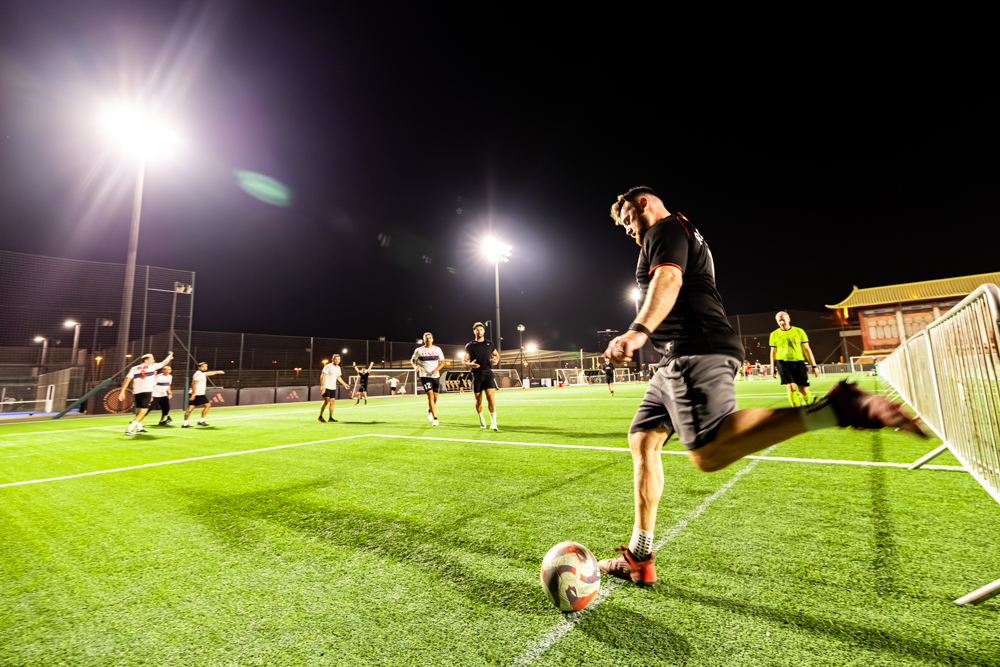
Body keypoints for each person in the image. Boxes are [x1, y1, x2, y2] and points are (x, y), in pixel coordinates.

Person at [600, 186, 927, 588]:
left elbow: (669, 278)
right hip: (675, 358)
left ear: (644, 204)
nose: (628, 230)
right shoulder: (679, 230)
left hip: (694, 348)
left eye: (628, 220)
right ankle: (639, 556)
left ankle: (835, 409)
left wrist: (637, 332)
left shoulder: (663, 229)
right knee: (643, 440)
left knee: (708, 453)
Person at [770, 311, 820, 406]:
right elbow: (773, 352)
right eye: (779, 321)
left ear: (788, 319)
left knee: (803, 390)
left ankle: (807, 405)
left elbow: (807, 349)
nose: (781, 322)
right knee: (790, 387)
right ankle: (795, 409)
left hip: (798, 362)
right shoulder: (774, 334)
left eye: (783, 320)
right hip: (783, 363)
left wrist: (814, 366)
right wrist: (773, 368)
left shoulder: (799, 331)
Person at [119, 351, 174, 435]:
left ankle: (139, 428)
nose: (154, 360)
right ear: (146, 360)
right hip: (146, 391)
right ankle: (129, 429)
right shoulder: (151, 367)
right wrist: (170, 356)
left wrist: (122, 391)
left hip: (137, 392)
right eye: (152, 359)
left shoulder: (134, 368)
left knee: (139, 411)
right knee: (143, 412)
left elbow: (127, 380)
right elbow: (165, 363)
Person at [463, 322, 500, 430]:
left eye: (481, 329)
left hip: (488, 373)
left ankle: (494, 423)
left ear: (484, 331)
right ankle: (482, 420)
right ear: (474, 331)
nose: (479, 331)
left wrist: (496, 360)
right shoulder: (470, 345)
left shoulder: (490, 344)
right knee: (478, 400)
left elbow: (496, 354)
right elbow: (464, 360)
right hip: (476, 375)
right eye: (477, 330)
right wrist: (470, 364)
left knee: (490, 398)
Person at [412, 332, 445, 425]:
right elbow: (413, 360)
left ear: (432, 339)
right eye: (426, 338)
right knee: (430, 396)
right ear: (423, 340)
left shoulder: (438, 349)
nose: (428, 339)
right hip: (424, 376)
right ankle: (435, 419)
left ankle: (430, 410)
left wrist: (436, 370)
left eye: (430, 338)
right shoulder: (419, 350)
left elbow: (443, 362)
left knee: (435, 398)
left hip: (435, 376)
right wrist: (415, 367)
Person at [182, 362, 224, 427]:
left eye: (206, 366)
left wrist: (217, 372)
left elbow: (209, 373)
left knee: (191, 408)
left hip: (197, 393)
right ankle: (201, 421)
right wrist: (193, 394)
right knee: (207, 405)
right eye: (203, 367)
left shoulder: (202, 373)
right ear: (199, 368)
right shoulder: (199, 374)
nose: (205, 368)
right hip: (198, 394)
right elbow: (193, 384)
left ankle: (185, 424)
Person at [318, 354, 352, 422]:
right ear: (332, 359)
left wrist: (345, 384)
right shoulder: (328, 366)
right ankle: (320, 416)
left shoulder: (338, 368)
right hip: (326, 386)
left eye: (338, 359)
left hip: (333, 387)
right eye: (336, 359)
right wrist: (323, 386)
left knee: (332, 402)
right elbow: (322, 376)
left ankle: (330, 418)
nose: (337, 360)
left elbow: (338, 377)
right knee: (326, 401)